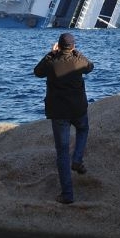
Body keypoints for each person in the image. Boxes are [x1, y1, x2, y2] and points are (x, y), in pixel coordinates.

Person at [34, 32, 94, 204]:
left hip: (59, 112)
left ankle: (67, 195)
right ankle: (77, 159)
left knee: (62, 153)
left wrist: (51, 53)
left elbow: (37, 72)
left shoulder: (51, 62)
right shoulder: (79, 61)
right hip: (78, 109)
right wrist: (77, 53)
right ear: (73, 47)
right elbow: (91, 67)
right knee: (83, 129)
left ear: (58, 46)